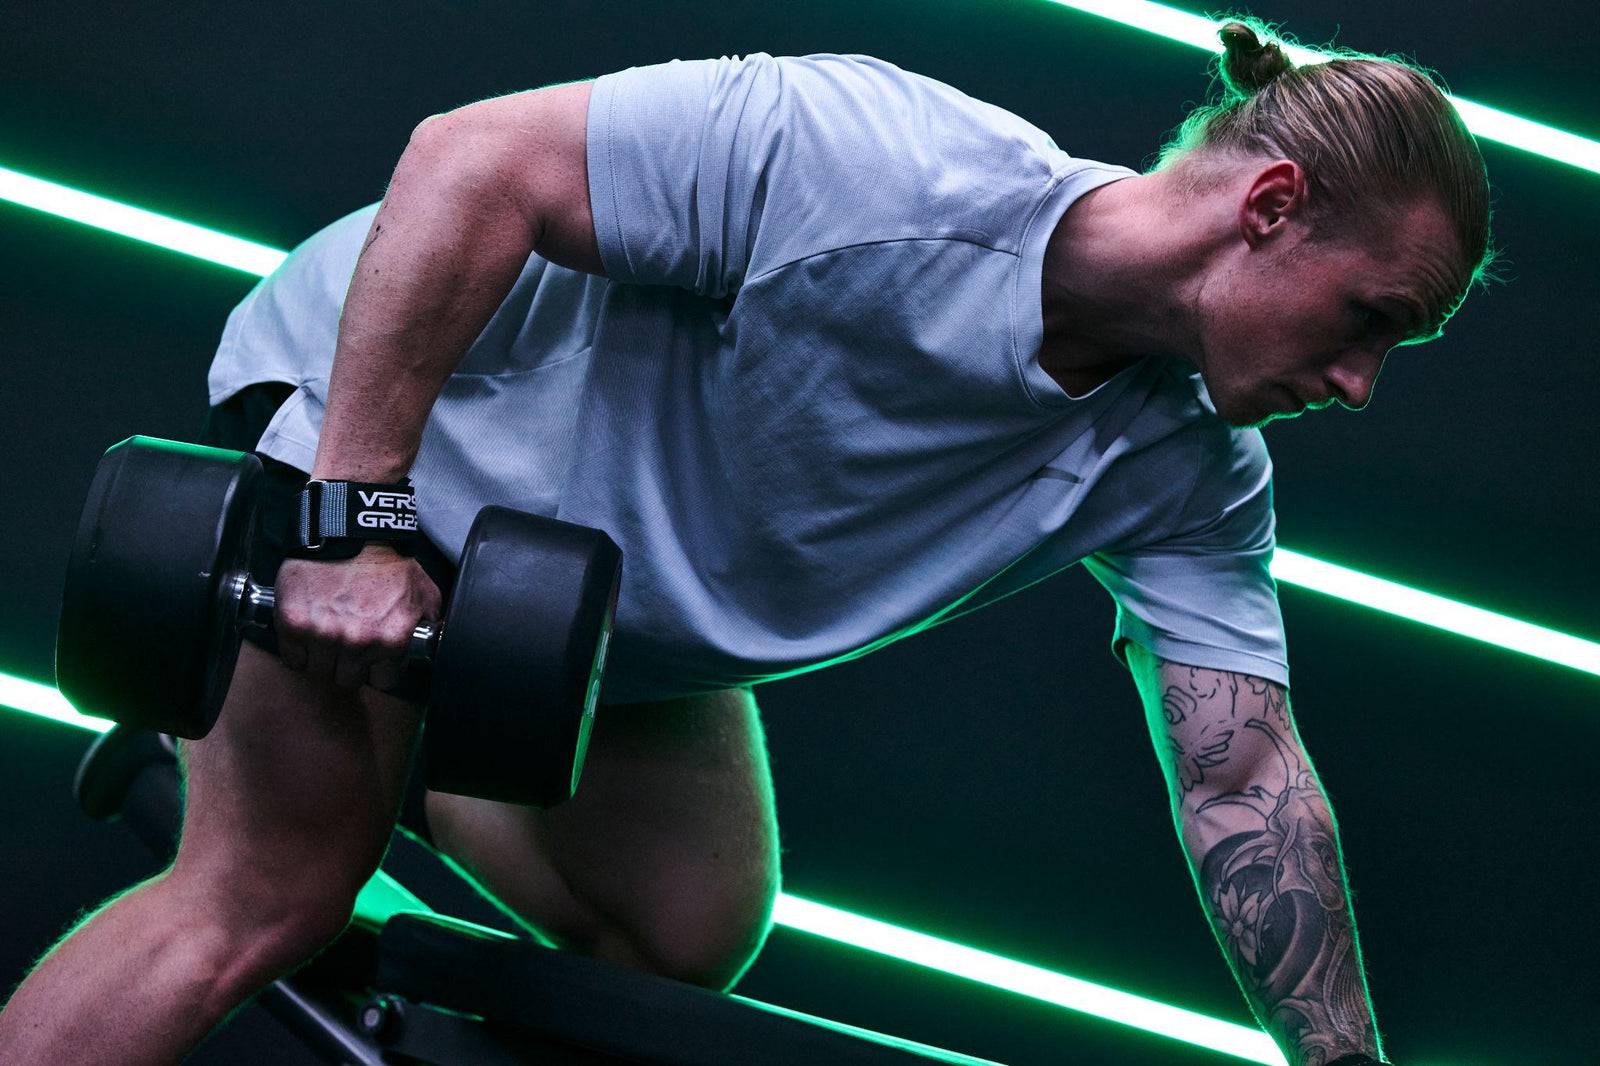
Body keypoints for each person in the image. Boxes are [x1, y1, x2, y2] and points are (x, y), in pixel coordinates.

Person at [0, 18, 1493, 1066]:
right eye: (1371, 320)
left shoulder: (1192, 468)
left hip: (580, 602)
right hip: (399, 447)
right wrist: (353, 519)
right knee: (262, 900)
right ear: (1273, 205)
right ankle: (288, 811)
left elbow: (1244, 770)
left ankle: (320, 772)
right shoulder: (875, 160)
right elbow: (470, 163)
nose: (1358, 384)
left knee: (684, 925)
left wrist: (1339, 1064)